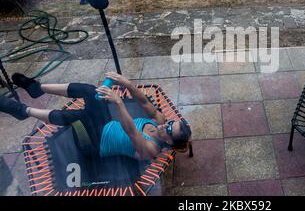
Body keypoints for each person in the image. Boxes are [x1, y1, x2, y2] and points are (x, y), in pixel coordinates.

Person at [0, 72, 192, 160]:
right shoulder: (159, 121)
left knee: (78, 118)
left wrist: (118, 102)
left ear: (169, 141)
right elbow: (144, 102)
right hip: (105, 123)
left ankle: (23, 111)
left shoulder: (151, 149)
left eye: (168, 129)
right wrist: (127, 83)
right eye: (171, 123)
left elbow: (132, 131)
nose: (165, 125)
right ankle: (36, 88)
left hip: (94, 144)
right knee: (90, 90)